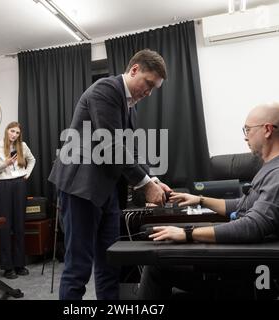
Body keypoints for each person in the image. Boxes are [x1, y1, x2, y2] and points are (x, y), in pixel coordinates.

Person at [137, 102, 279, 299]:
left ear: (268, 130)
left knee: (157, 265)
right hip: (244, 253)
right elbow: (242, 206)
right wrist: (199, 199)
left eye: (247, 129)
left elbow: (253, 226)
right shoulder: (273, 167)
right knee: (160, 246)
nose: (245, 136)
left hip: (247, 265)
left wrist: (187, 234)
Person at [49, 49, 172, 300]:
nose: (148, 92)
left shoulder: (130, 107)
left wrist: (152, 178)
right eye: (148, 84)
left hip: (107, 191)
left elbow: (130, 150)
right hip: (81, 188)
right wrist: (145, 185)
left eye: (153, 89)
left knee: (110, 263)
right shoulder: (105, 90)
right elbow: (111, 146)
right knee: (78, 268)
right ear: (134, 69)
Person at [0, 121, 36, 279]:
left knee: (19, 225)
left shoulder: (22, 146)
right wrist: (5, 164)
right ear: (7, 131)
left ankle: (19, 264)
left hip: (19, 185)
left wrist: (27, 174)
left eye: (17, 133)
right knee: (5, 226)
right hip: (3, 186)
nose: (14, 135)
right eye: (12, 131)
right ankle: (8, 267)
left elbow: (32, 160)